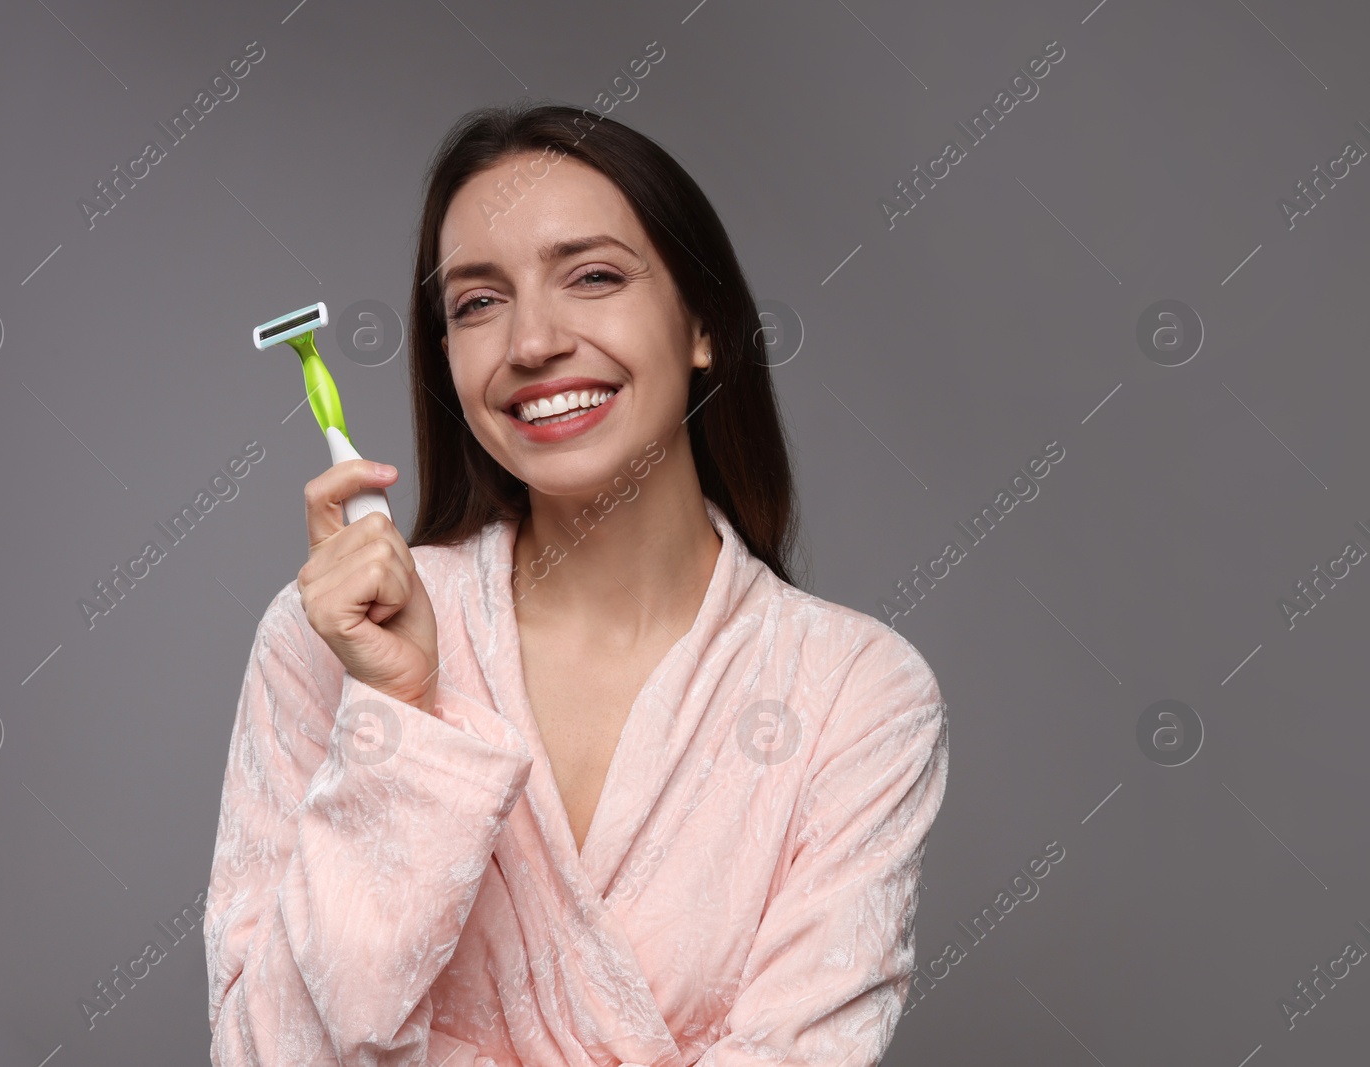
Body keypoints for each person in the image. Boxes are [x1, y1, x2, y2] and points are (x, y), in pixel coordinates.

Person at [203, 101, 948, 1067]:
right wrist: (398, 712)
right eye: (477, 302)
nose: (532, 342)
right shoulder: (328, 638)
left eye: (592, 277)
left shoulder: (859, 692)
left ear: (702, 325)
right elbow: (268, 1055)